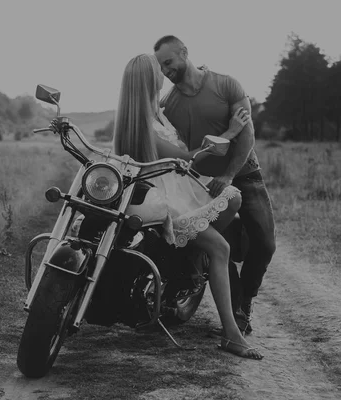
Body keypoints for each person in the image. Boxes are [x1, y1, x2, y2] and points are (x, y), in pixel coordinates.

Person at [112, 53, 262, 360]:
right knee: (220, 248)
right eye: (158, 71)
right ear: (148, 80)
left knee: (232, 197)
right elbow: (186, 159)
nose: (163, 74)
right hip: (164, 198)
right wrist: (231, 133)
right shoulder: (144, 123)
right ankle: (233, 335)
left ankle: (188, 253)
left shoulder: (152, 114)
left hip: (173, 190)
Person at [154, 35, 277, 335]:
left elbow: (246, 134)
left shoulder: (226, 84)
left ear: (184, 52)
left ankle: (245, 298)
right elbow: (180, 151)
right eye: (161, 66)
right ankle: (232, 310)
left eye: (169, 62)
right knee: (215, 244)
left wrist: (229, 176)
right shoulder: (168, 105)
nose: (166, 71)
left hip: (244, 174)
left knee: (264, 243)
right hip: (203, 184)